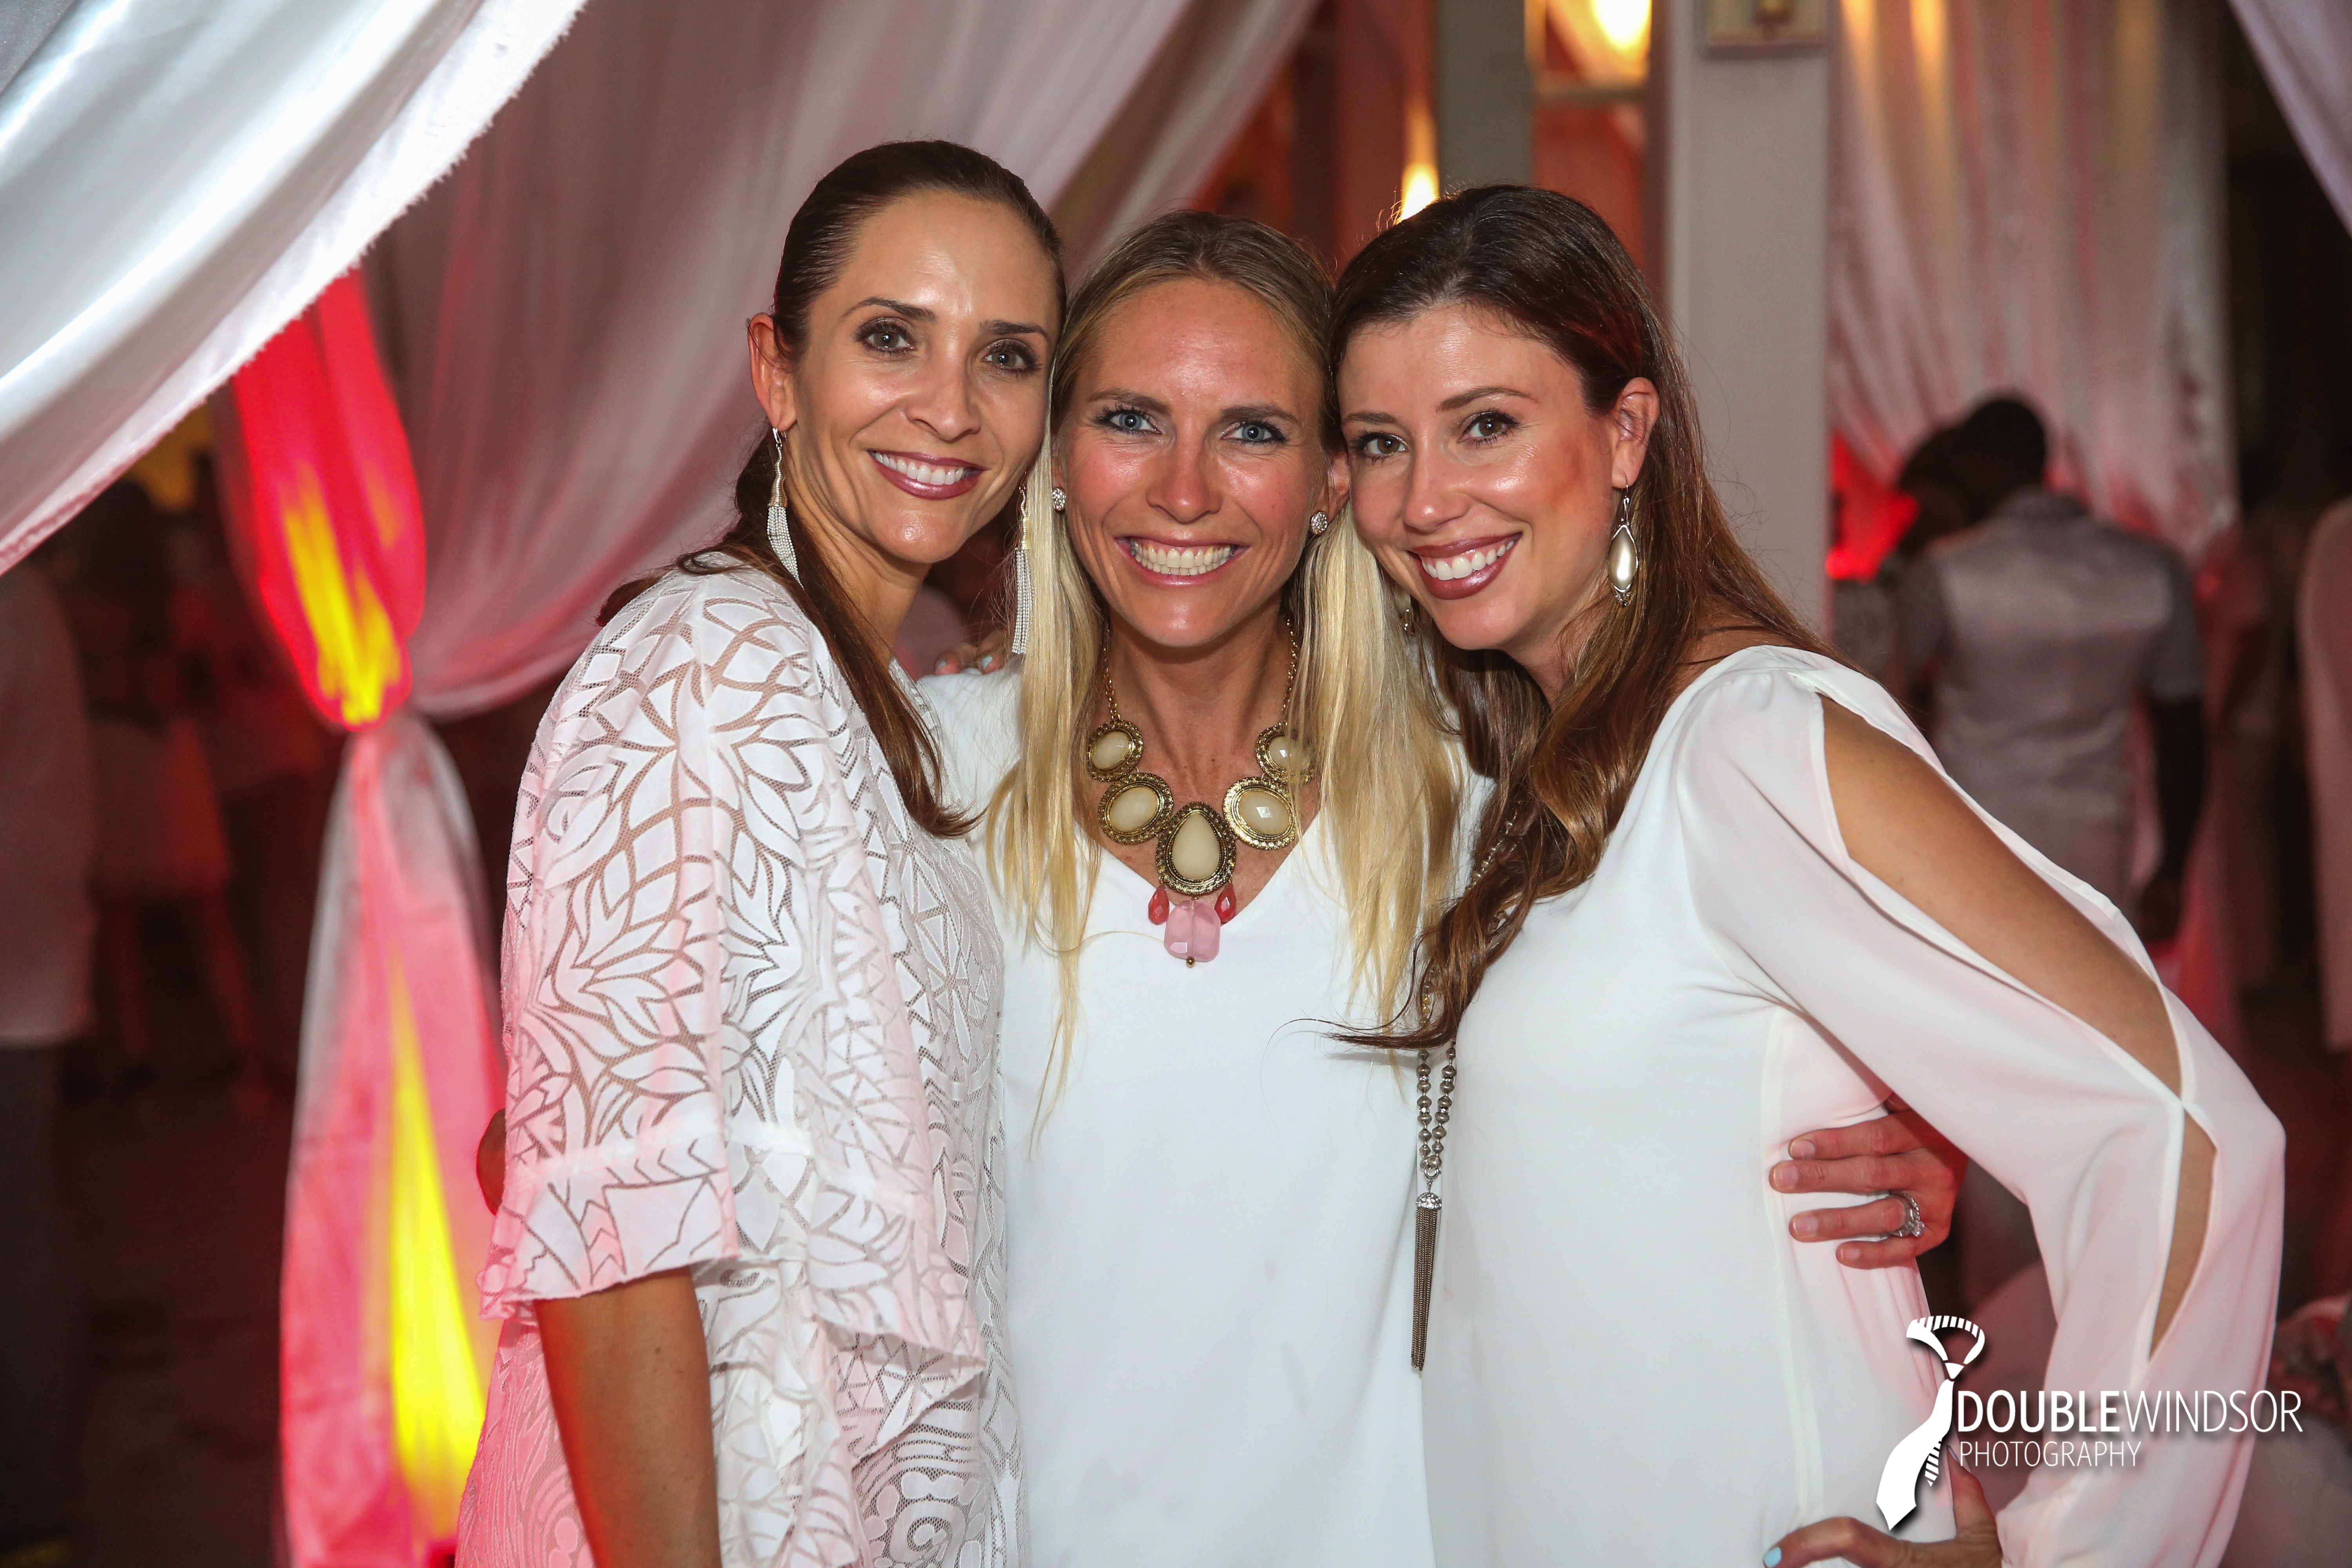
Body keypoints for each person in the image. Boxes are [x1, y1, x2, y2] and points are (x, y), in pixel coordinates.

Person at [919, 211, 1964, 1566]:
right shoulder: (935, 778)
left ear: (1329, 484)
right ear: (1056, 459)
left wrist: (1891, 1110)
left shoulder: (1474, 778)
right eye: (1130, 419)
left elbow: (1669, 1059)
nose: (1183, 490)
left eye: (1252, 432)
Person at [1331, 186, 2282, 1567]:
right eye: (1380, 442)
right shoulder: (1531, 751)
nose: (1423, 501)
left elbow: (2190, 1133)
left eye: (1486, 425)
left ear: (1626, 434)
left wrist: (2066, 1545)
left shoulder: (1750, 739)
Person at [457, 140, 1061, 1568]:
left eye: (1008, 356)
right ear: (778, 372)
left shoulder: (865, 697)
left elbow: (533, 1137)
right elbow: (608, 1229)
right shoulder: (706, 665)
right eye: (891, 337)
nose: (952, 406)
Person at [1899, 396, 2207, 942]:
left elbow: (1890, 702)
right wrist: (2172, 869)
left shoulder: (1945, 569)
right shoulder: (2151, 568)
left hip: (1975, 830)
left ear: (1977, 461)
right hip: (2100, 836)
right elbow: (2183, 734)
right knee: (2091, 979)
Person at [0, 548, 96, 1565]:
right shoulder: (25, 590)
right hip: (27, 963)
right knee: (26, 1225)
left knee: (21, 1231)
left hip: (14, 974)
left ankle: (29, 1500)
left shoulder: (9, 593)